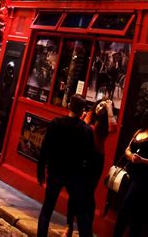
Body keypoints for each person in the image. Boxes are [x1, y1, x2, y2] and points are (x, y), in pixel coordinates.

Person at [37, 94, 94, 237]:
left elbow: (45, 148)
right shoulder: (86, 130)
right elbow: (89, 156)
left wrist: (40, 171)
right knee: (81, 213)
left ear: (69, 105)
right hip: (75, 175)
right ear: (82, 111)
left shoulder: (56, 123)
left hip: (55, 171)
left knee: (47, 209)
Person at [64, 98, 117, 237]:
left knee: (88, 193)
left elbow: (114, 128)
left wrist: (110, 108)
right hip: (81, 156)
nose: (101, 107)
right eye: (100, 104)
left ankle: (86, 228)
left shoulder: (105, 124)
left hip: (95, 159)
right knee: (75, 191)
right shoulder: (87, 115)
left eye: (104, 108)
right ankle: (69, 226)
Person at [113, 106, 148, 237]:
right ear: (147, 115)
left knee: (129, 209)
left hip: (144, 180)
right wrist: (131, 156)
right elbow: (127, 149)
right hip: (130, 175)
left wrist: (143, 160)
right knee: (124, 208)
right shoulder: (139, 132)